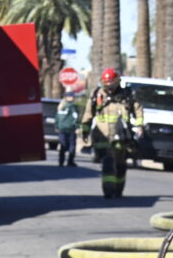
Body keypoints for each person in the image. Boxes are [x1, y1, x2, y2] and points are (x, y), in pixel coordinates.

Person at [81, 67, 144, 198]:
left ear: (117, 81)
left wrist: (139, 126)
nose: (109, 87)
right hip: (103, 137)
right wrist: (85, 131)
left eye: (112, 84)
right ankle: (108, 190)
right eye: (106, 84)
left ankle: (119, 190)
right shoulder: (97, 95)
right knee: (108, 162)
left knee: (120, 164)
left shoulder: (127, 95)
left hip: (121, 137)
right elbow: (88, 113)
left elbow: (138, 110)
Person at [55, 91, 80, 167]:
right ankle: (70, 161)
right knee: (72, 146)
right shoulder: (72, 106)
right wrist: (77, 127)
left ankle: (61, 162)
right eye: (72, 96)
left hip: (61, 129)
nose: (73, 98)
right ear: (68, 97)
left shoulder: (60, 106)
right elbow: (75, 117)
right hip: (70, 129)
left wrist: (56, 126)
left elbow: (57, 117)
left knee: (63, 146)